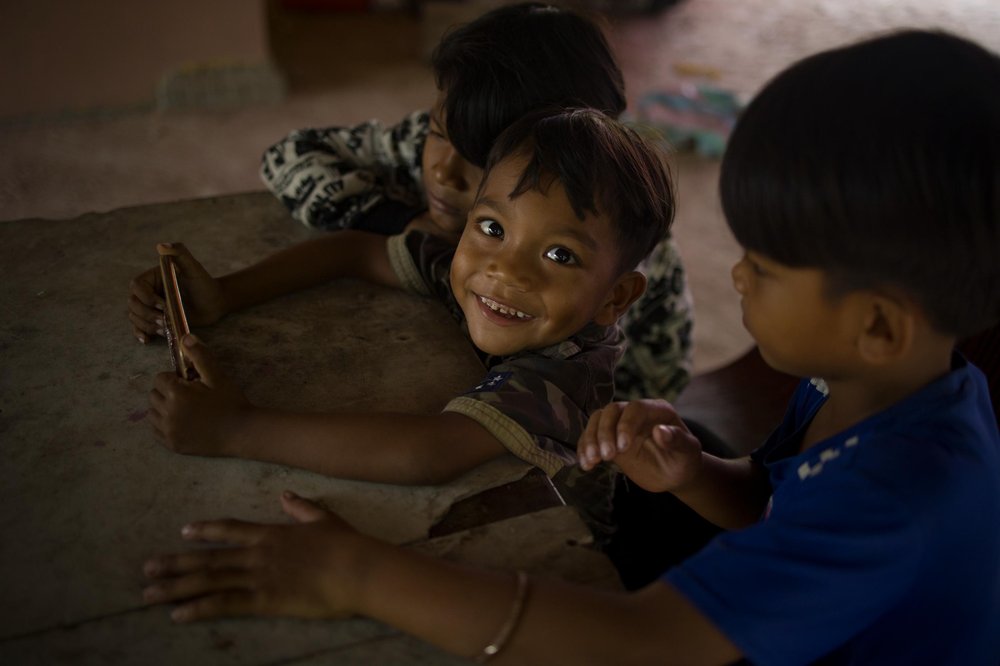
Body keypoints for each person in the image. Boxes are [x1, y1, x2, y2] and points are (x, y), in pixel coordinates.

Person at [142, 30, 1000, 665]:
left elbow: (649, 640)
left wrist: (356, 576)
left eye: (765, 268)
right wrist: (698, 474)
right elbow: (777, 503)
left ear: (878, 324)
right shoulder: (869, 384)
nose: (735, 277)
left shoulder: (899, 495)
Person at [130, 108, 673, 538]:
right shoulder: (478, 270)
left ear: (615, 297)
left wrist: (235, 429)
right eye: (492, 227)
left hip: (558, 548)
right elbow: (357, 251)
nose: (505, 270)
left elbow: (427, 453)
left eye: (559, 256)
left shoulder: (566, 375)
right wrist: (226, 293)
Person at [258, 1, 694, 402]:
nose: (442, 172)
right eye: (439, 133)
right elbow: (289, 157)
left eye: (477, 158)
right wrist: (404, 220)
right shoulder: (431, 140)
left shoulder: (613, 245)